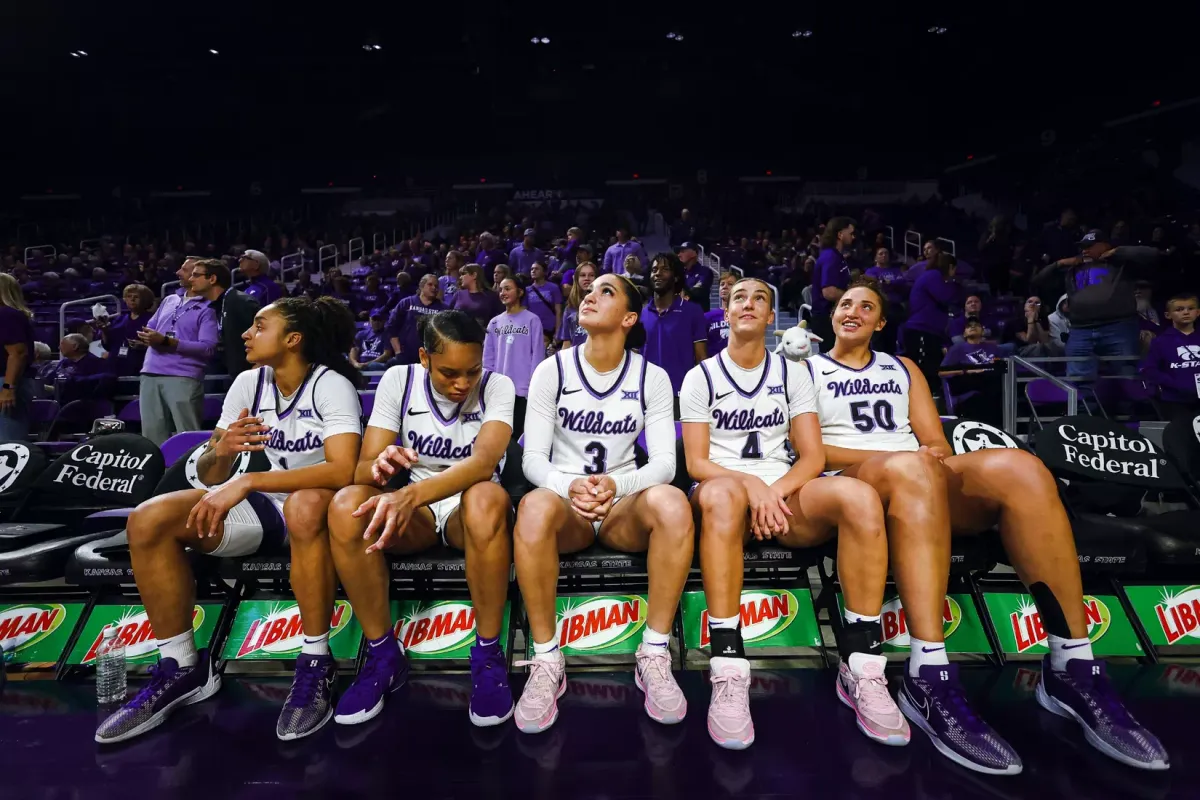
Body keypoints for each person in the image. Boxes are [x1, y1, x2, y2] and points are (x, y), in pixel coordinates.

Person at [812, 278, 1167, 775]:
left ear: (881, 321)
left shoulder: (903, 368)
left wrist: (920, 459)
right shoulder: (803, 369)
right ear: (832, 314)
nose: (852, 310)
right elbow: (810, 452)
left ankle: (1072, 665)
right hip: (850, 484)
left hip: (917, 475)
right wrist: (902, 458)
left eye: (866, 305)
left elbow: (935, 443)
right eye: (845, 303)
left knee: (1020, 467)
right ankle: (929, 674)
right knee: (911, 468)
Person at [95, 297, 365, 745]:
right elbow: (209, 473)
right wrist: (220, 453)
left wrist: (250, 479)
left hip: (320, 508)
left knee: (303, 505)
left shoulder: (330, 385)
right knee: (148, 519)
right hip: (264, 506)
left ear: (293, 339)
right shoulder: (247, 383)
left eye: (260, 326)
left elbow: (343, 470)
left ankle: (316, 659)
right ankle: (182, 667)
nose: (245, 333)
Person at [681, 277, 898, 751]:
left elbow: (814, 458)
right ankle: (728, 667)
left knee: (858, 497)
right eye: (740, 297)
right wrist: (753, 487)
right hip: (724, 492)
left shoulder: (793, 372)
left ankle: (861, 664)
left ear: (770, 315)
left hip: (784, 493)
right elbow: (696, 462)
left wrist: (773, 491)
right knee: (721, 496)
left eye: (761, 298)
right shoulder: (700, 376)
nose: (750, 304)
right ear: (724, 310)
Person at [514, 274, 693, 734]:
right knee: (532, 507)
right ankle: (546, 660)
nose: (590, 295)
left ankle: (653, 652)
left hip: (621, 506)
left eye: (607, 292)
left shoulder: (651, 377)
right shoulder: (550, 370)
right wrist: (568, 485)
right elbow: (532, 459)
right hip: (565, 504)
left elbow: (665, 464)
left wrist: (616, 483)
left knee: (673, 503)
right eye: (589, 290)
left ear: (629, 318)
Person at [328, 311, 517, 728]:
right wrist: (380, 464)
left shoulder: (498, 385)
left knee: (487, 498)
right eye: (450, 372)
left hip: (464, 507)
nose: (463, 383)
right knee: (346, 506)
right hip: (414, 511)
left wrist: (407, 495)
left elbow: (484, 463)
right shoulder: (400, 380)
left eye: (472, 371)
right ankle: (382, 655)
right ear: (424, 357)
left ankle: (487, 655)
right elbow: (360, 468)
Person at [1032, 229, 1159, 383]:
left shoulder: (1121, 263)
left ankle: (1129, 407)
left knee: (1127, 376)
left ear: (1105, 245)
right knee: (1078, 380)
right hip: (1081, 329)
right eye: (1083, 246)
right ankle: (1083, 408)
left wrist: (1118, 251)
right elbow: (1037, 281)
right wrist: (1059, 263)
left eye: (1091, 246)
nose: (1085, 250)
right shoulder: (1074, 266)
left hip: (1118, 327)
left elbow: (1154, 254)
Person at [137, 262, 219, 446]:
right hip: (150, 371)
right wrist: (147, 336)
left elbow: (208, 348)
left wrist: (168, 342)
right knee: (151, 435)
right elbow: (151, 326)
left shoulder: (209, 309)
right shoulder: (169, 300)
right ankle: (158, 474)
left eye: (186, 270)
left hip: (183, 376)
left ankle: (190, 474)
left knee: (187, 435)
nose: (178, 272)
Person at [641, 254, 707, 417]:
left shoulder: (693, 311)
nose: (658, 273)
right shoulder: (640, 314)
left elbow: (701, 357)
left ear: (676, 277)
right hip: (644, 397)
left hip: (681, 397)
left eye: (665, 269)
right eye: (654, 269)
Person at [483, 277, 544, 441]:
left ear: (520, 292)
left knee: (519, 438)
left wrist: (533, 386)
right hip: (500, 391)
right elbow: (488, 359)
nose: (503, 293)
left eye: (508, 288)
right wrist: (488, 385)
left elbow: (537, 355)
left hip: (522, 391)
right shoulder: (494, 323)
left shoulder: (532, 320)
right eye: (501, 289)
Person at [1140, 291, 1199, 430]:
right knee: (1183, 436)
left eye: (1190, 309)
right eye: (1179, 309)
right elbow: (1149, 369)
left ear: (1198, 312)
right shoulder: (1160, 342)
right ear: (1168, 315)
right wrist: (1174, 383)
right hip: (1175, 401)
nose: (1185, 312)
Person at [193, 259, 260, 379]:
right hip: (224, 373)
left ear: (212, 279)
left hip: (246, 376)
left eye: (196, 275)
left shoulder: (241, 302)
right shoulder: (212, 306)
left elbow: (260, 338)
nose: (191, 279)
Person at [904, 253, 959, 395]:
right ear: (950, 267)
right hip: (921, 330)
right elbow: (946, 297)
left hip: (930, 331)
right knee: (923, 371)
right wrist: (953, 282)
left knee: (931, 370)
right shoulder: (933, 276)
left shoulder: (933, 276)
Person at [0, 273, 36, 439]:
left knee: (7, 444)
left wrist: (8, 388)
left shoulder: (7, 314)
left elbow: (18, 353)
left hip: (7, 382)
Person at [809, 217, 855, 345]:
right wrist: (855, 297)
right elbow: (829, 292)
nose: (853, 237)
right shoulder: (830, 257)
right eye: (850, 233)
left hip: (831, 316)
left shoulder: (836, 256)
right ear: (840, 234)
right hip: (826, 318)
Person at [98, 283, 155, 377]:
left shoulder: (152, 320)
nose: (132, 299)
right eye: (129, 296)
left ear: (145, 300)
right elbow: (108, 345)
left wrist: (144, 346)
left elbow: (160, 344)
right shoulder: (119, 319)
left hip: (139, 365)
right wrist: (104, 331)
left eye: (136, 297)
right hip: (114, 366)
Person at [388, 274, 446, 365]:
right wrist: (398, 352)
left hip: (432, 359)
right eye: (430, 284)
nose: (434, 288)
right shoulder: (406, 303)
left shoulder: (443, 309)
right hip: (405, 357)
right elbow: (392, 327)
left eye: (436, 286)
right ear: (422, 286)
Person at [50, 333, 115, 405]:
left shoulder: (94, 362)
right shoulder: (64, 362)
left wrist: (76, 380)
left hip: (81, 404)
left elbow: (108, 377)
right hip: (58, 400)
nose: (59, 347)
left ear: (75, 346)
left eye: (62, 344)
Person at [449, 264, 503, 330]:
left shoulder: (492, 296)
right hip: (458, 338)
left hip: (482, 338)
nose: (460, 277)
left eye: (463, 274)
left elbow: (500, 319)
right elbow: (449, 316)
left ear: (474, 275)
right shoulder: (458, 294)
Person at [524, 261, 563, 351]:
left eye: (536, 269)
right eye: (532, 269)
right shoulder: (527, 290)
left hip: (549, 329)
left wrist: (557, 332)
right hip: (532, 329)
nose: (533, 271)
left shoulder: (553, 288)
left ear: (544, 272)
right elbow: (525, 312)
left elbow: (558, 311)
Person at [557, 262, 597, 350]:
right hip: (576, 358)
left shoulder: (604, 305)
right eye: (582, 275)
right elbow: (566, 342)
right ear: (576, 279)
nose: (587, 278)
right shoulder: (569, 308)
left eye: (591, 275)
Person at [704, 272, 735, 357]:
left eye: (730, 284)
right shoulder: (707, 317)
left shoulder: (743, 316)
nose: (725, 287)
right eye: (722, 284)